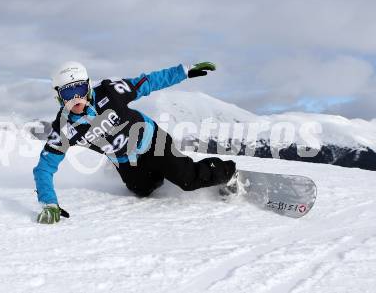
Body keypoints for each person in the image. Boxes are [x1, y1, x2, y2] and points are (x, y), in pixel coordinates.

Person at [33, 61, 236, 224]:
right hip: (125, 160)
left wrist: (184, 71)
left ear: (88, 86)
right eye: (68, 93)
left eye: (79, 88)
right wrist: (49, 203)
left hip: (153, 141)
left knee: (187, 180)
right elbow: (44, 168)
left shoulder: (110, 92)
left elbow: (147, 82)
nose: (76, 98)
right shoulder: (64, 128)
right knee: (142, 190)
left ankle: (229, 172)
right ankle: (161, 172)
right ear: (58, 97)